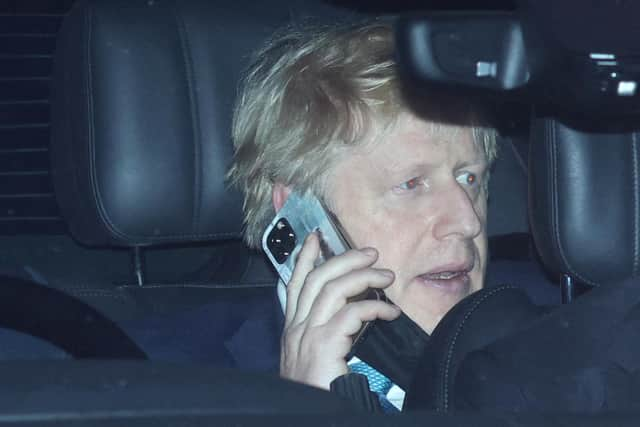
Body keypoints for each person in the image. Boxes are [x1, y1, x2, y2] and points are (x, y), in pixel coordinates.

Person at [227, 19, 497, 410]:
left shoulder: (559, 340)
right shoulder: (180, 385)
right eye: (410, 184)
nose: (467, 220)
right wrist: (304, 411)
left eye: (469, 177)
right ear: (304, 218)